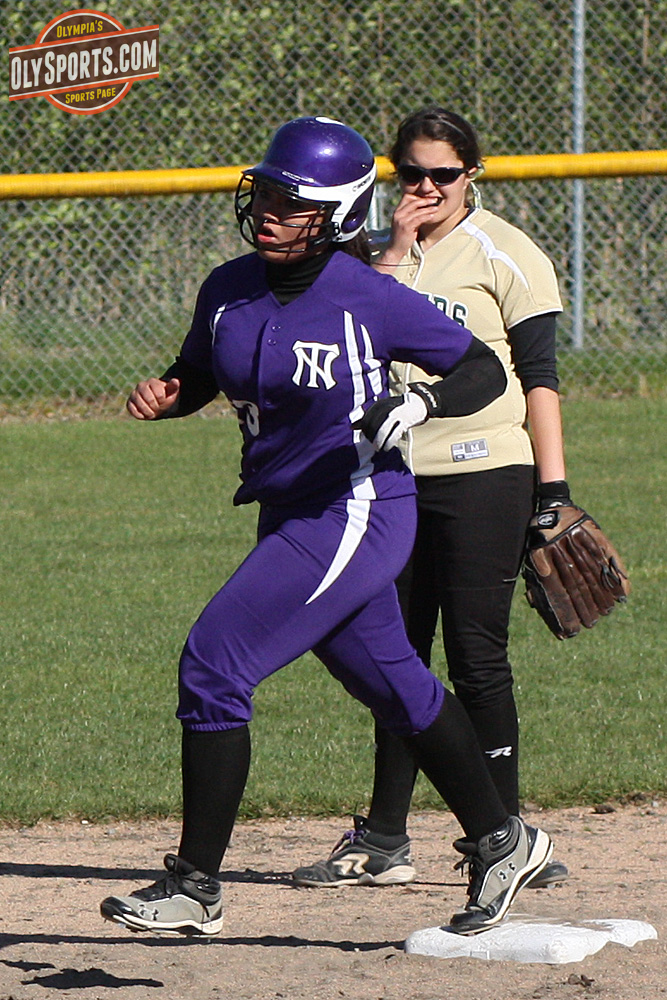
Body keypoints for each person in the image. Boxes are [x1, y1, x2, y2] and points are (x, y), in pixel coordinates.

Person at [99, 116, 553, 940]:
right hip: (288, 511)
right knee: (396, 685)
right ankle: (503, 840)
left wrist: (419, 402)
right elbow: (199, 370)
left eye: (293, 202)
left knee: (214, 663)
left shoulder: (364, 294)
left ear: (338, 214)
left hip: (355, 509)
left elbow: (482, 369)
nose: (269, 212)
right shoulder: (228, 288)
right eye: (266, 194)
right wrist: (169, 394)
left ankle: (196, 888)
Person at [293, 107, 569, 890]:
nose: (425, 186)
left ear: (469, 175)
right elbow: (353, 334)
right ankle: (384, 839)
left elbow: (538, 379)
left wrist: (553, 490)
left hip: (485, 474)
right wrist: (395, 252)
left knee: (476, 659)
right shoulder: (371, 258)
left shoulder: (506, 254)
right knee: (395, 659)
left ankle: (507, 837)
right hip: (390, 482)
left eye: (442, 174)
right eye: (410, 172)